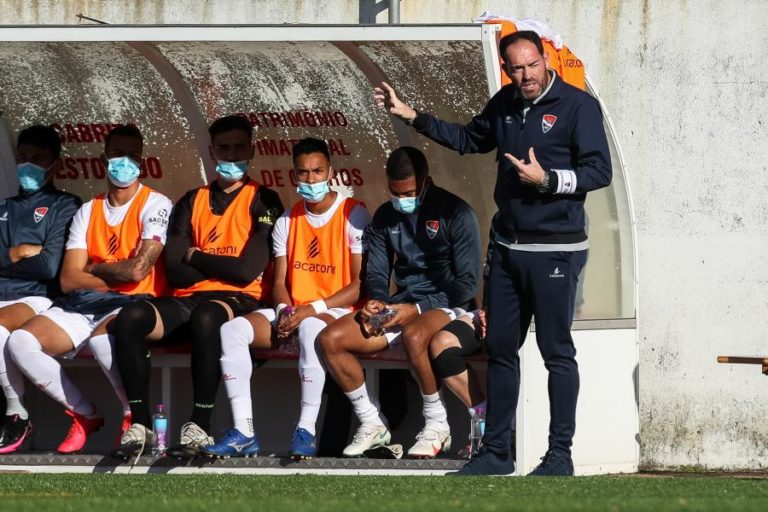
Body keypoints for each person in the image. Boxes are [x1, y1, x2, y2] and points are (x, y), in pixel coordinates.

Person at [374, 30, 612, 475]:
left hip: (555, 250)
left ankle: (559, 455)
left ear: (546, 60)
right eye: (517, 68)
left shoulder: (578, 106)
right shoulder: (505, 101)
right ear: (506, 69)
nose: (527, 75)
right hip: (506, 249)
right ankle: (497, 452)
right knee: (502, 349)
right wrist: (412, 116)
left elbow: (599, 171)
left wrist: (548, 180)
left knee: (556, 351)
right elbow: (469, 139)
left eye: (533, 65)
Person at [112, 115, 283, 458]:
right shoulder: (191, 200)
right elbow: (175, 272)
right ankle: (140, 424)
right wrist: (213, 263)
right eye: (224, 148)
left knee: (208, 317)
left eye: (239, 148)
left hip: (240, 299)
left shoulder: (265, 199)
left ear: (252, 150)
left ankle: (199, 425)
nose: (231, 155)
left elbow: (246, 271)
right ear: (211, 150)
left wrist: (196, 255)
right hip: (188, 298)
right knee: (130, 317)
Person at [6, 124, 170, 453]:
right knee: (21, 342)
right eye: (117, 153)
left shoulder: (156, 203)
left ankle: (133, 418)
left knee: (103, 341)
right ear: (104, 158)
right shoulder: (88, 209)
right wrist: (114, 272)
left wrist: (92, 268)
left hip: (130, 302)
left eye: (132, 155)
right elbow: (68, 279)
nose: (124, 161)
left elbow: (139, 270)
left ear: (142, 161)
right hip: (83, 303)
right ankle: (84, 413)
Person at [203, 137, 370, 459]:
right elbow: (279, 282)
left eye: (317, 171)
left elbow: (358, 286)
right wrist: (283, 310)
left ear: (330, 172)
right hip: (297, 310)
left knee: (310, 328)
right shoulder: (286, 220)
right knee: (231, 330)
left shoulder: (354, 214)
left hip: (336, 310)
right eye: (303, 173)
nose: (311, 179)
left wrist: (309, 310)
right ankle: (243, 431)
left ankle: (306, 429)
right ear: (294, 175)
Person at [318, 146, 481, 458]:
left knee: (415, 334)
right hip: (402, 305)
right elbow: (377, 273)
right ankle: (371, 422)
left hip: (449, 304)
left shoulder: (456, 213)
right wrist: (377, 301)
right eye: (395, 192)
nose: (401, 199)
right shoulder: (384, 216)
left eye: (409, 193)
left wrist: (417, 309)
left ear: (426, 180)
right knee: (331, 339)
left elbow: (467, 283)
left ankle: (437, 424)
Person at [0, 125, 81, 453]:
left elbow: (49, 266)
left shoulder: (65, 204)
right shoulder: (3, 207)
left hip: (36, 296)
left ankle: (16, 414)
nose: (28, 165)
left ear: (54, 165)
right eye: (23, 157)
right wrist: (19, 252)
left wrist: (7, 256)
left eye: (38, 159)